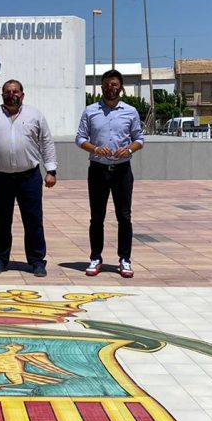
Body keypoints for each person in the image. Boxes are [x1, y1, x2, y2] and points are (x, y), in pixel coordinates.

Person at [0, 80, 57, 277]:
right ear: (2, 95)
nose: (11, 95)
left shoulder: (35, 115)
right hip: (0, 178)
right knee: (2, 221)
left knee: (33, 220)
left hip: (29, 177)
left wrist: (51, 170)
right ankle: (0, 259)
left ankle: (36, 261)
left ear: (22, 95)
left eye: (15, 91)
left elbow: (46, 142)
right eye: (7, 92)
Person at [75, 69, 144, 279]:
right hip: (98, 170)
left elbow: (139, 139)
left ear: (120, 87)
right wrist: (94, 148)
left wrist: (129, 149)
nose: (109, 88)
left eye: (114, 84)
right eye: (106, 84)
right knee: (97, 217)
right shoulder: (90, 111)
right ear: (101, 87)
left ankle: (125, 259)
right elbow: (79, 139)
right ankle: (96, 257)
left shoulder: (130, 111)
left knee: (124, 216)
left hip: (122, 170)